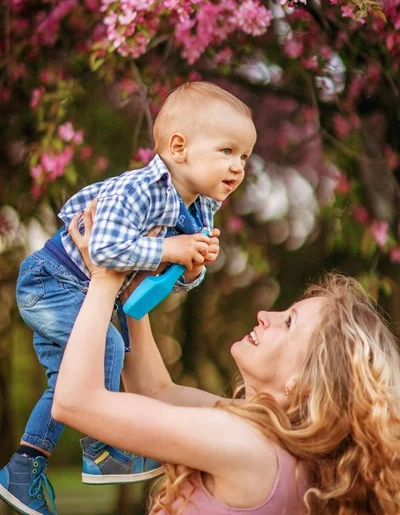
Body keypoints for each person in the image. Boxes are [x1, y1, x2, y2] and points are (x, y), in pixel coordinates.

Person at [0, 81, 257, 515]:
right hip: (52, 282)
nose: (238, 167)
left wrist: (189, 271)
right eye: (227, 151)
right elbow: (103, 251)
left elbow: (148, 278)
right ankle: (102, 450)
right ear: (178, 148)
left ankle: (23, 468)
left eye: (245, 157)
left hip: (85, 291)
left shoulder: (199, 207)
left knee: (66, 379)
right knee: (109, 346)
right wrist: (171, 249)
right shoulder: (139, 190)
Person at [52, 209, 400, 514]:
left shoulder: (246, 445)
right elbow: (155, 391)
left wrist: (104, 275)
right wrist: (132, 280)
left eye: (289, 322)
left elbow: (75, 401)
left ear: (307, 381)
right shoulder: (270, 445)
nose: (266, 315)